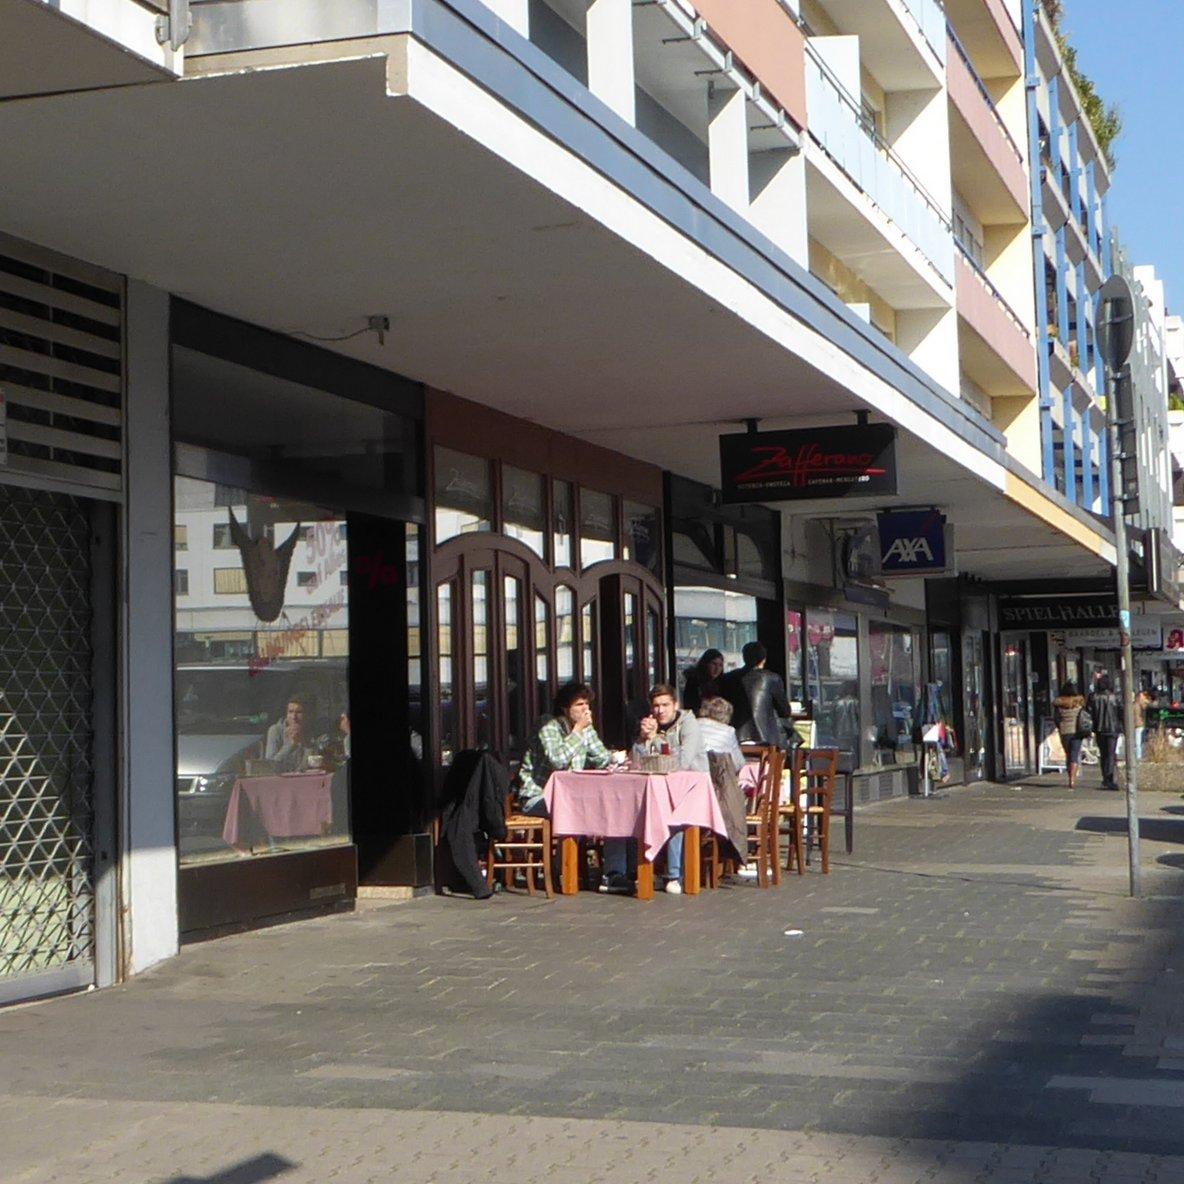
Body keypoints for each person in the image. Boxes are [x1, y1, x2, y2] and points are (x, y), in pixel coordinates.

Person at [603, 683, 706, 896]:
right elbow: (635, 763)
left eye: (665, 705)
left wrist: (654, 739)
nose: (660, 710)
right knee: (626, 812)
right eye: (656, 706)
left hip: (691, 790)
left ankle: (674, 875)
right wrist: (642, 739)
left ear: (675, 705)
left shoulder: (689, 725)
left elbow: (682, 762)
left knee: (675, 817)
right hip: (658, 789)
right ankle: (626, 872)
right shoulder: (652, 725)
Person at [517, 682, 612, 818]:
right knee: (580, 809)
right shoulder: (548, 724)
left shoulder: (585, 728)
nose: (585, 709)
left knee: (604, 805)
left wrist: (612, 757)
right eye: (579, 704)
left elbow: (602, 759)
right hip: (538, 797)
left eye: (587, 704)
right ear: (565, 709)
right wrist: (578, 730)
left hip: (573, 795)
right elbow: (558, 761)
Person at [720, 641, 791, 746]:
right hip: (767, 740)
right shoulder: (772, 678)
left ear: (744, 658)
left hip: (736, 737)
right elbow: (785, 711)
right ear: (764, 659)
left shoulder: (728, 678)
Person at [1087, 674, 1122, 790]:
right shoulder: (1115, 697)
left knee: (1103, 754)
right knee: (1111, 754)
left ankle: (1105, 778)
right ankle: (1110, 778)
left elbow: (1089, 712)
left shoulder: (1093, 697)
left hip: (1099, 729)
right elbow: (1121, 712)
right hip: (1113, 729)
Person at [696, 696, 745, 774]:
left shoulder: (690, 725)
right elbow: (738, 763)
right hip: (716, 775)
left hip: (690, 773)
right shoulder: (728, 731)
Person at [264, 695, 313, 773]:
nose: (294, 717)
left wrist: (305, 743)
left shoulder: (310, 731)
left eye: (299, 712)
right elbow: (269, 766)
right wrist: (291, 744)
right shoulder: (275, 730)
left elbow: (312, 764)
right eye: (290, 712)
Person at [1053, 680, 1086, 789]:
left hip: (1064, 732)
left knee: (1068, 754)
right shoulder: (1079, 703)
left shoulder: (1059, 704)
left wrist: (1060, 726)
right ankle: (1072, 779)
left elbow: (1056, 718)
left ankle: (1069, 776)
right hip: (1077, 731)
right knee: (1074, 755)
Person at [683, 649, 724, 714]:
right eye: (714, 664)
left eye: (720, 665)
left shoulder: (722, 683)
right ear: (706, 664)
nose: (717, 668)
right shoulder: (694, 682)